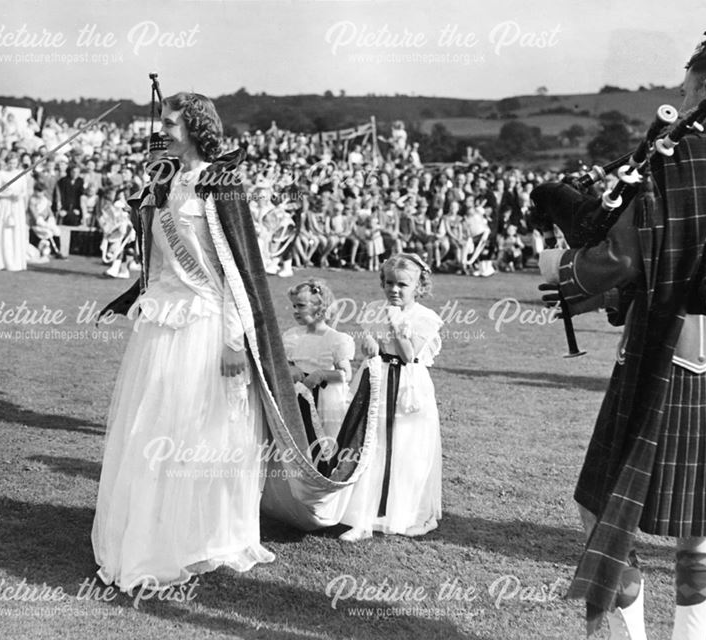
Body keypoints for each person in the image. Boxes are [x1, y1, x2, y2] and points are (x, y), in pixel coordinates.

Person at [535, 27, 706, 640]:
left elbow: (624, 257)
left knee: (602, 508)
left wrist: (563, 268)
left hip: (656, 350)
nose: (680, 99)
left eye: (688, 90)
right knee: (700, 524)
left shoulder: (679, 157)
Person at [92, 92, 308, 592]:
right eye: (163, 121)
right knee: (152, 429)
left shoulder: (223, 185)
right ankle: (154, 532)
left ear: (195, 127)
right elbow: (158, 260)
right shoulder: (162, 181)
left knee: (205, 434)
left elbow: (239, 272)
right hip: (161, 322)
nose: (162, 128)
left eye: (171, 122)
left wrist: (236, 340)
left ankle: (210, 535)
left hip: (207, 325)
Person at [338, 254, 443, 541]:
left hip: (408, 384)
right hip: (376, 377)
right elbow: (370, 345)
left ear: (418, 286)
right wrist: (368, 342)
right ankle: (363, 515)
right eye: (389, 283)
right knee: (372, 442)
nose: (394, 290)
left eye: (402, 285)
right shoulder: (374, 309)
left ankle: (407, 513)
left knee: (406, 446)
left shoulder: (425, 318)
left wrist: (396, 324)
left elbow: (409, 355)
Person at [283, 279, 354, 441]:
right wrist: (291, 368)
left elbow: (346, 374)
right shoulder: (292, 336)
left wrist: (321, 375)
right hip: (297, 392)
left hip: (323, 396)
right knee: (299, 435)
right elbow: (284, 363)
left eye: (301, 306)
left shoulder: (335, 339)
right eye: (294, 306)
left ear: (320, 309)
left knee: (322, 438)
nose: (295, 310)